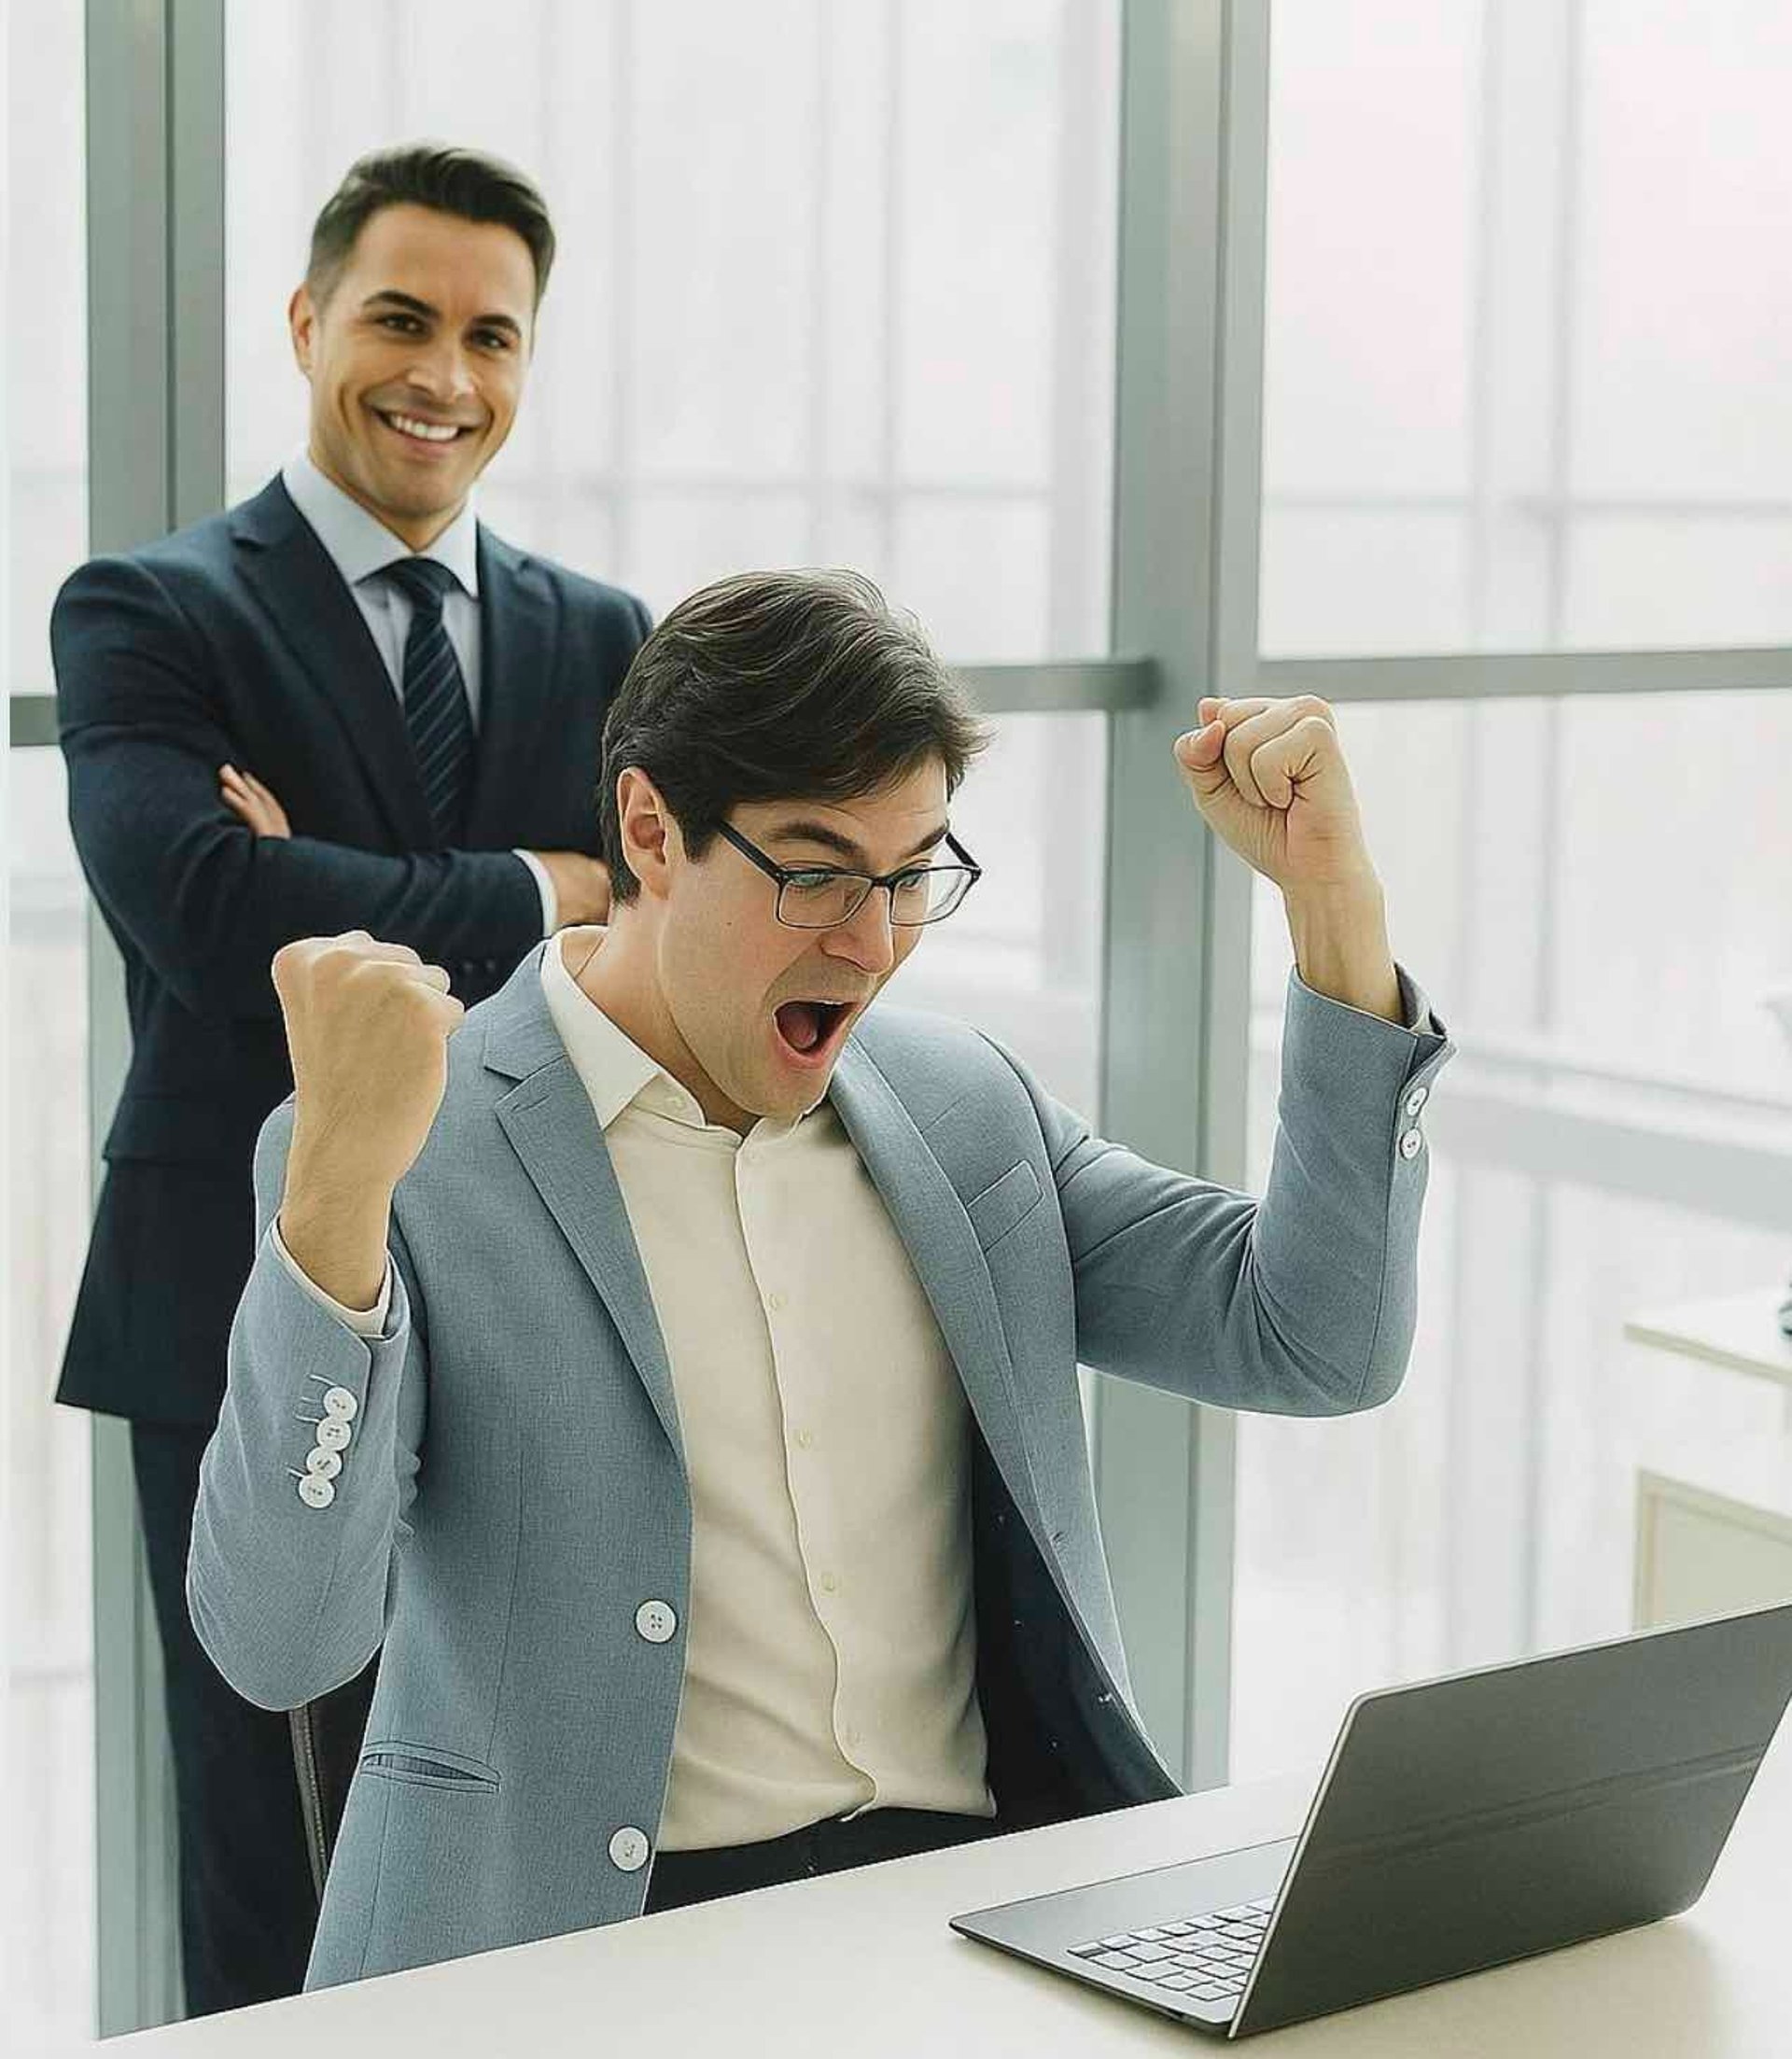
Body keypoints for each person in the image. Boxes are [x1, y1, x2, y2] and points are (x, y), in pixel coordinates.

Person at [189, 567, 1451, 1990]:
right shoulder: (404, 1144)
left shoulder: (966, 1109)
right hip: (572, 1956)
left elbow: (1320, 1336)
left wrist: (1333, 907)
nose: (870, 941)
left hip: (979, 1930)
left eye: (912, 874)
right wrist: (339, 1196)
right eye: (814, 872)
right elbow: (280, 1637)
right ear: (652, 829)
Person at [53, 144, 649, 2012]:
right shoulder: (148, 610)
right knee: (269, 1837)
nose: (443, 376)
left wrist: (342, 884)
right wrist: (539, 885)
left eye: (493, 334)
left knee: (521, 1809)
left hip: (535, 1292)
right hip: (241, 1288)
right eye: (400, 318)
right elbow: (208, 911)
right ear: (308, 322)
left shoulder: (605, 636)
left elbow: (646, 954)